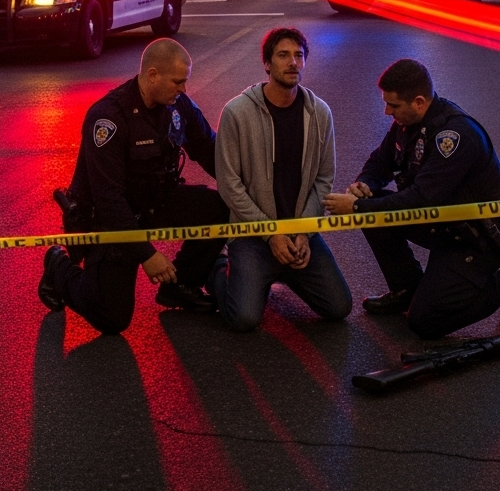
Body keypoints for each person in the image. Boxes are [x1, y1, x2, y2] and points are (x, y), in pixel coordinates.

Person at [323, 59, 500, 340]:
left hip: (477, 237)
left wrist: (357, 206)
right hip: (444, 224)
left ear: (419, 102)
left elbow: (420, 199)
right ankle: (406, 289)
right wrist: (364, 185)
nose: (387, 112)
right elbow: (381, 161)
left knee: (425, 321)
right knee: (375, 209)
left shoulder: (454, 137)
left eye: (393, 105)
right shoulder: (408, 123)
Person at [38, 39, 228, 335]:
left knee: (219, 208)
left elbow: (210, 151)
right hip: (112, 219)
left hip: (156, 199)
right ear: (152, 75)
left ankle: (180, 286)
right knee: (112, 318)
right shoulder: (108, 118)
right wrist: (147, 255)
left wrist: (249, 192)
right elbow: (109, 200)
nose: (184, 89)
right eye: (178, 82)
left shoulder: (178, 106)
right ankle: (58, 267)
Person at [212, 28, 351, 331]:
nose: (293, 62)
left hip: (298, 232)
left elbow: (324, 179)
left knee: (339, 307)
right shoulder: (237, 113)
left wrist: (304, 233)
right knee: (244, 319)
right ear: (266, 63)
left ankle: (280, 272)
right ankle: (219, 269)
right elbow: (229, 185)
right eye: (283, 55)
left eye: (299, 55)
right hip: (252, 235)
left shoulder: (319, 113)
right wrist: (271, 234)